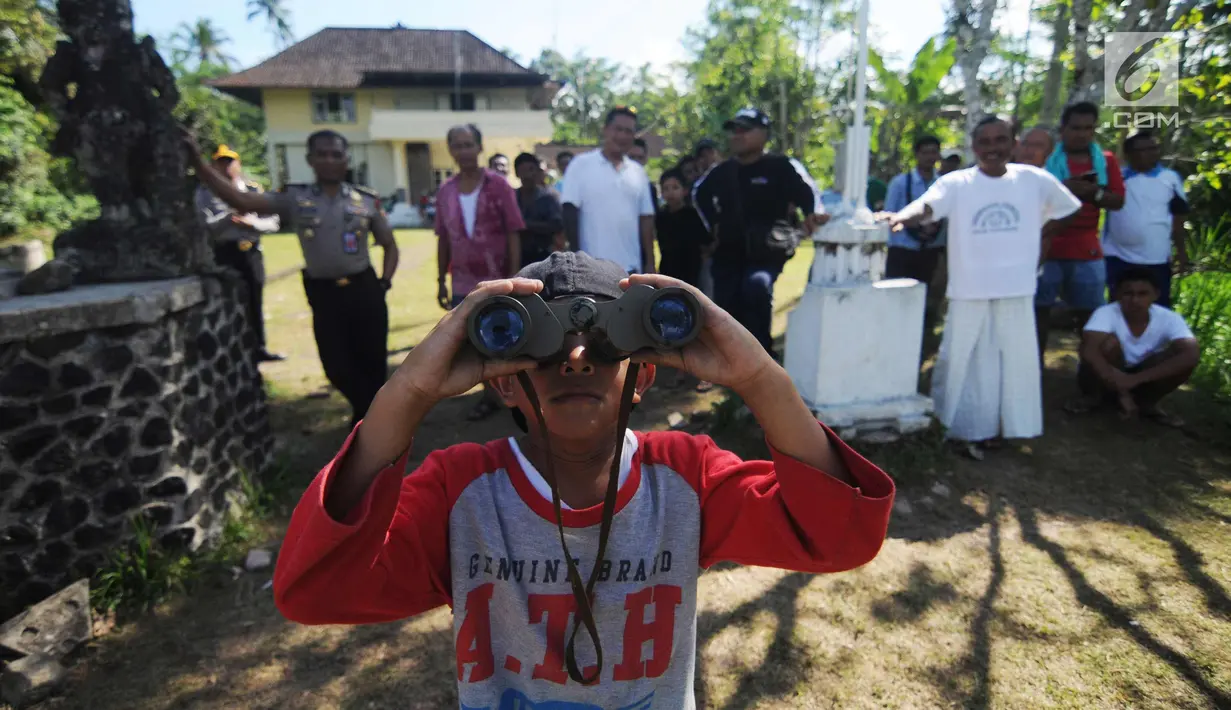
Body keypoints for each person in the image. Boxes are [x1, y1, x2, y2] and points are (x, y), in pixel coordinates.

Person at [271, 251, 895, 709]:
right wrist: (407, 391)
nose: (575, 358)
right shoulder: (460, 496)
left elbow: (839, 537)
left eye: (602, 345)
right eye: (545, 347)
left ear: (642, 376)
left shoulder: (684, 479)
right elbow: (316, 590)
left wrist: (761, 379)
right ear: (504, 378)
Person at [880, 116, 1081, 459]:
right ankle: (952, 426)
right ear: (974, 148)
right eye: (984, 142)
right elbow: (928, 205)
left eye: (1000, 140)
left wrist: (1043, 233)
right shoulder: (958, 182)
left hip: (1016, 287)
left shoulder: (1034, 180)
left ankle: (1011, 427)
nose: (993, 149)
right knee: (960, 359)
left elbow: (1069, 208)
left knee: (1013, 360)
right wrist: (901, 217)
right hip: (969, 287)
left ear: (1013, 143)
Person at [184, 129, 400, 429]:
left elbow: (389, 244)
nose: (329, 160)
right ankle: (369, 414)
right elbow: (240, 200)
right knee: (336, 367)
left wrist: (385, 282)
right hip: (324, 295)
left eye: (336, 154)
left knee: (373, 363)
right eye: (321, 153)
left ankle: (368, 423)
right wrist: (197, 161)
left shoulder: (365, 200)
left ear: (346, 159)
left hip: (365, 290)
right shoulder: (295, 199)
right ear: (310, 159)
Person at [692, 107, 827, 358]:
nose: (737, 135)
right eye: (734, 130)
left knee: (756, 287)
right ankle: (731, 363)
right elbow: (699, 196)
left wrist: (811, 214)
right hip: (728, 254)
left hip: (768, 251)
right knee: (726, 305)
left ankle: (763, 357)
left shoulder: (782, 166)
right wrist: (714, 229)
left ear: (764, 134)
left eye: (745, 129)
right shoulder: (721, 172)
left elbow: (809, 194)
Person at [435, 124, 526, 421]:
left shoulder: (498, 185)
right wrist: (441, 280)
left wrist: (514, 276)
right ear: (451, 150)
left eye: (468, 144)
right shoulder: (445, 191)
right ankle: (489, 397)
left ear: (479, 147)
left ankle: (520, 397)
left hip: (498, 277)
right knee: (475, 342)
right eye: (457, 145)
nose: (464, 151)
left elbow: (514, 233)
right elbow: (444, 239)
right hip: (462, 281)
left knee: (509, 338)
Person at [1038, 101, 1126, 355]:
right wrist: (1064, 189)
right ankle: (1035, 376)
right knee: (1038, 313)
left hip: (1086, 249)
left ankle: (1091, 378)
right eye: (1076, 128)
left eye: (1088, 128)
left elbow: (1118, 201)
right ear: (1063, 128)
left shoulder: (1105, 161)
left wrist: (1092, 193)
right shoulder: (1045, 157)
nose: (1082, 134)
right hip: (1047, 247)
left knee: (1091, 319)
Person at [1070, 267, 1199, 426]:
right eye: (1128, 293)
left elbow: (1192, 354)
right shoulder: (1105, 313)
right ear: (1117, 294)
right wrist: (1123, 391)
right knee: (1108, 345)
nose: (1135, 300)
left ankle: (1148, 404)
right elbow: (1088, 350)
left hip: (1142, 374)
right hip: (1109, 372)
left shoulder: (1170, 318)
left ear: (1156, 295)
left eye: (1142, 294)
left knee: (1181, 357)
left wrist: (1134, 380)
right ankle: (1093, 397)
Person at [194, 144, 284, 363]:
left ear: (238, 164)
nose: (226, 167)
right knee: (227, 302)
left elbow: (273, 223)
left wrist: (251, 223)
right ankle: (232, 349)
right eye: (221, 162)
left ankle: (259, 348)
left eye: (230, 161)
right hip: (225, 253)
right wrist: (231, 216)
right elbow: (205, 226)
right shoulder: (204, 193)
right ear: (213, 165)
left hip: (251, 252)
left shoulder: (252, 190)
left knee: (255, 301)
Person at [561, 107, 656, 275]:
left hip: (631, 272)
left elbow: (646, 220)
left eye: (629, 131)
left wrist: (650, 265)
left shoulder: (638, 172)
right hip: (591, 270)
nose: (623, 136)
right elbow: (569, 213)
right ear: (605, 130)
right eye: (618, 129)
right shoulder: (580, 165)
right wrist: (576, 261)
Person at [1102, 131, 1190, 308]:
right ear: (1129, 154)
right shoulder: (1117, 178)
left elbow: (1178, 216)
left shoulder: (1170, 179)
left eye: (1154, 148)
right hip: (1118, 256)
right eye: (1143, 150)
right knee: (1119, 306)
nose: (1151, 153)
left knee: (1157, 307)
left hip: (1156, 258)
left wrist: (1181, 251)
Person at [657, 168, 715, 392]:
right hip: (670, 274)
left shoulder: (693, 215)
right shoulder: (661, 217)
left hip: (693, 276)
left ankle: (706, 373)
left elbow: (708, 242)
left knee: (698, 323)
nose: (670, 193)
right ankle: (681, 370)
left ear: (684, 190)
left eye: (675, 188)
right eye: (666, 188)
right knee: (674, 322)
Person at [883, 136, 946, 284]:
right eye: (925, 153)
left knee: (926, 296)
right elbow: (889, 214)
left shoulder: (943, 183)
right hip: (902, 250)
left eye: (933, 152)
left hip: (931, 251)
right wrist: (915, 224)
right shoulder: (900, 183)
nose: (930, 157)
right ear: (917, 155)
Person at [513, 152, 565, 267]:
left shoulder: (550, 197)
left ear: (537, 172)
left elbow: (557, 225)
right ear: (517, 173)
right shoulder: (512, 197)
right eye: (523, 171)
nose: (527, 176)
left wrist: (526, 225)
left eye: (531, 170)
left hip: (544, 258)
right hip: (517, 257)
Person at [628, 137, 658, 208]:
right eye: (631, 157)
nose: (636, 162)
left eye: (640, 158)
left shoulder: (650, 188)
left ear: (646, 159)